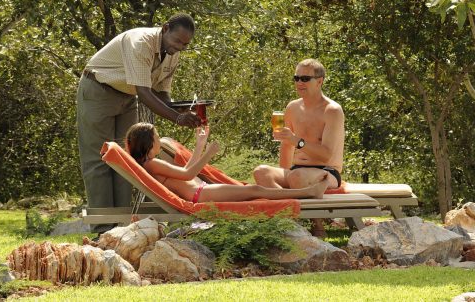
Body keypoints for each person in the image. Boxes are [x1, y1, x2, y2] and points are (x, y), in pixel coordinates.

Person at [77, 13, 203, 233]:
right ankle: (102, 229)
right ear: (165, 29)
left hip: (127, 96)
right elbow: (144, 93)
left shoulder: (172, 53)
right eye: (177, 41)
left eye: (185, 44)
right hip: (98, 90)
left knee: (126, 160)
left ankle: (121, 226)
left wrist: (180, 109)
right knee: (99, 158)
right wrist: (177, 118)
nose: (180, 47)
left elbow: (161, 93)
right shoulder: (141, 42)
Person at [252, 58, 345, 235]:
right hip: (298, 170)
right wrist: (284, 174)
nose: (299, 82)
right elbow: (286, 147)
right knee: (261, 172)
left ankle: (317, 226)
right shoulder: (292, 108)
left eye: (305, 79)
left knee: (297, 176)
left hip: (327, 171)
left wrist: (297, 142)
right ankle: (289, 221)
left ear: (319, 81)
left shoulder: (332, 110)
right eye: (296, 78)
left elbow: (326, 155)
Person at [126, 123, 328, 202]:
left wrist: (200, 144)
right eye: (157, 136)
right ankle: (308, 193)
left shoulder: (150, 164)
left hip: (202, 190)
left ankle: (307, 193)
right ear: (148, 142)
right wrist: (208, 154)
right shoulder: (151, 164)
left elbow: (186, 171)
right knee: (256, 190)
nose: (160, 140)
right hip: (201, 194)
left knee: (255, 190)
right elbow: (188, 175)